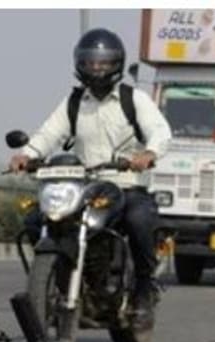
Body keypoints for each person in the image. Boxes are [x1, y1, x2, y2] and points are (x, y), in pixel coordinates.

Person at [9, 28, 172, 324]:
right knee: (37, 219)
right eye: (90, 62)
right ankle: (61, 278)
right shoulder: (73, 102)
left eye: (103, 62)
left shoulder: (133, 99)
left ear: (117, 65)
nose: (96, 68)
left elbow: (160, 132)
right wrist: (27, 155)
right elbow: (48, 133)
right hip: (84, 186)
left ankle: (144, 289)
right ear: (79, 64)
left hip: (126, 185)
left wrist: (147, 155)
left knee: (138, 221)